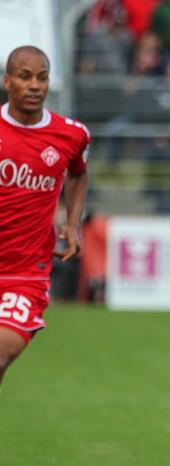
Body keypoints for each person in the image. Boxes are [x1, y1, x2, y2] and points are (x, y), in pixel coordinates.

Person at [0, 46, 90, 387]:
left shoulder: (72, 135)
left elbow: (79, 174)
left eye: (42, 77)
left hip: (25, 275)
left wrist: (72, 222)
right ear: (8, 82)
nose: (35, 85)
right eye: (25, 77)